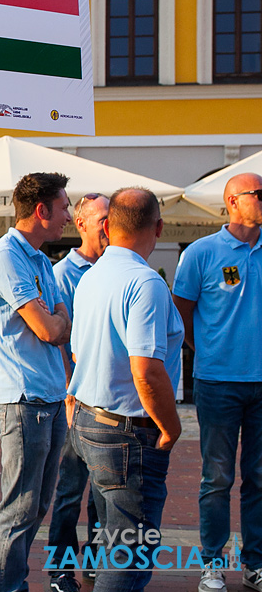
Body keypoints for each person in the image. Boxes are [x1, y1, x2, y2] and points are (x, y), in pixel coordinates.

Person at [69, 187, 183, 592]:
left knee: (115, 543)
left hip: (91, 419)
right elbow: (147, 371)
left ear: (108, 226)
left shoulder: (92, 275)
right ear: (158, 227)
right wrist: (171, 428)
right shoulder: (145, 282)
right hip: (126, 430)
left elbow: (79, 353)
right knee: (130, 554)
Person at [0, 172, 73, 592]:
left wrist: (56, 320)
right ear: (42, 210)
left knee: (36, 507)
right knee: (19, 508)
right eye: (65, 206)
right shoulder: (6, 257)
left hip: (48, 396)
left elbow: (59, 318)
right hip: (23, 399)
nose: (69, 216)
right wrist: (56, 320)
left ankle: (13, 582)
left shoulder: (37, 258)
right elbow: (52, 329)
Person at [173, 172, 262, 592]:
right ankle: (212, 562)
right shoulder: (201, 253)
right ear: (232, 201)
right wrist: (204, 349)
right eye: (258, 194)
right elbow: (181, 313)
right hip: (217, 383)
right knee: (217, 478)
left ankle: (255, 563)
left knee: (260, 478)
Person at [47, 193, 110, 592]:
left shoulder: (117, 269)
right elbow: (61, 342)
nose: (108, 225)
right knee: (70, 491)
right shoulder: (63, 274)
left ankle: (94, 560)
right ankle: (60, 569)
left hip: (108, 399)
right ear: (82, 224)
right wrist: (70, 395)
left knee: (103, 493)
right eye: (102, 218)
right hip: (77, 398)